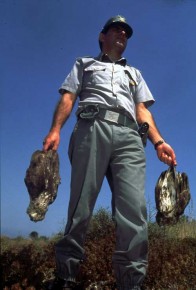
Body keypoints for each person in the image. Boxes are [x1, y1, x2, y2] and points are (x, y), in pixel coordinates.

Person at [43, 15, 177, 290]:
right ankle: (65, 276)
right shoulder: (85, 64)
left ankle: (130, 282)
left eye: (126, 32)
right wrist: (55, 130)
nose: (122, 34)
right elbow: (69, 96)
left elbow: (142, 110)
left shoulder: (134, 73)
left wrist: (159, 142)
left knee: (134, 210)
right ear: (102, 36)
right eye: (116, 29)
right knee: (81, 205)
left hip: (130, 137)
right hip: (91, 127)